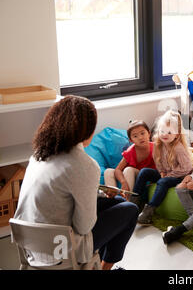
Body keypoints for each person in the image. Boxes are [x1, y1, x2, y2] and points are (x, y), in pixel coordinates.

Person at [13, 95, 138, 270]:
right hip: (62, 246)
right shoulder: (83, 164)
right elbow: (83, 226)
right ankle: (104, 268)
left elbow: (60, 195)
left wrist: (100, 194)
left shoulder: (39, 155)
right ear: (87, 131)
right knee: (130, 210)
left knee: (115, 201)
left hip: (30, 239)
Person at [134, 110, 193, 225]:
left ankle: (148, 213)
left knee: (163, 181)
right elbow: (158, 161)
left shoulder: (178, 148)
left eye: (169, 132)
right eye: (162, 131)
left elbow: (187, 168)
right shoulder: (158, 144)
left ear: (176, 134)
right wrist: (161, 172)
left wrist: (168, 175)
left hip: (180, 176)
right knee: (144, 172)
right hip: (166, 173)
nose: (165, 135)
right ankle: (134, 203)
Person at [104, 120, 156, 194]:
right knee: (108, 171)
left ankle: (129, 201)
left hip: (142, 175)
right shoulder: (130, 151)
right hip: (127, 176)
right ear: (131, 140)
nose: (140, 137)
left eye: (142, 133)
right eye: (135, 136)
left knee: (129, 170)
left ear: (149, 133)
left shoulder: (156, 147)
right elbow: (117, 170)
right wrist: (123, 182)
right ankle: (113, 200)